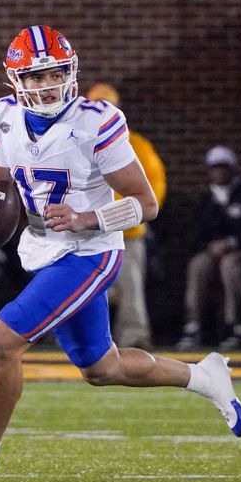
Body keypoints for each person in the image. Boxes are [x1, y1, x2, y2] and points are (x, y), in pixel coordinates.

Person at [0, 25, 241, 482]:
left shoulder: (95, 122)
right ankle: (204, 376)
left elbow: (146, 204)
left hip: (90, 251)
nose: (45, 85)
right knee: (102, 368)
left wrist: (86, 217)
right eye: (33, 77)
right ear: (16, 82)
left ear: (70, 73)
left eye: (52, 73)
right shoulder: (4, 117)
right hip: (43, 250)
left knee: (3, 339)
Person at [85, 83, 166, 348]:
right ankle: (87, 337)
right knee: (86, 288)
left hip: (126, 232)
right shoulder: (77, 143)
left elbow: (153, 190)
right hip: (88, 232)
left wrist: (121, 217)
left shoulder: (137, 145)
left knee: (130, 289)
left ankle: (134, 339)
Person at [175, 146, 241, 351]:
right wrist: (211, 246)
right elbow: (194, 235)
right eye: (215, 168)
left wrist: (231, 243)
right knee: (199, 264)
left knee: (231, 265)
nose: (219, 172)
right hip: (212, 253)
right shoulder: (205, 200)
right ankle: (194, 324)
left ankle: (236, 326)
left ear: (233, 169)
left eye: (223, 167)